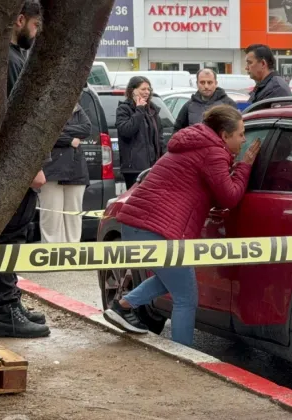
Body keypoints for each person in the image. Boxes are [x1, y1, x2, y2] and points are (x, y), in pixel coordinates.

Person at [103, 105, 262, 346]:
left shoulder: (197, 145)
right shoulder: (212, 153)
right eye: (240, 134)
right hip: (155, 230)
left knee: (171, 279)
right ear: (223, 135)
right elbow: (229, 197)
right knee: (186, 297)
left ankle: (122, 305)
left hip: (140, 224)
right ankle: (184, 358)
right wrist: (245, 165)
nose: (244, 139)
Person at [0, 0, 50, 339]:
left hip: (11, 169)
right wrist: (32, 168)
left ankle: (10, 304)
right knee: (9, 237)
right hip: (13, 171)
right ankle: (5, 310)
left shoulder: (12, 59)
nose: (36, 34)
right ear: (20, 20)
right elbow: (14, 124)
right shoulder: (10, 62)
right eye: (36, 26)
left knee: (14, 236)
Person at [39, 103, 91, 243]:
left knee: (73, 217)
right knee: (51, 217)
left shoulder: (79, 109)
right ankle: (50, 255)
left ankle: (73, 253)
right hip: (51, 170)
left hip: (76, 170)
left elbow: (86, 129)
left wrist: (60, 131)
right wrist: (69, 140)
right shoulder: (46, 107)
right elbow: (44, 133)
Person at [116, 76, 165, 189]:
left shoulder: (152, 110)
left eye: (149, 89)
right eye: (143, 89)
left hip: (153, 166)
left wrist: (163, 160)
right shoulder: (124, 109)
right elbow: (127, 131)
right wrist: (139, 110)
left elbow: (159, 139)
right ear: (132, 91)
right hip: (134, 168)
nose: (147, 92)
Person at [174, 68, 237, 132]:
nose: (206, 86)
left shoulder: (228, 105)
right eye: (202, 82)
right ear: (197, 84)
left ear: (215, 83)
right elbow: (178, 130)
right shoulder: (189, 106)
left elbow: (237, 131)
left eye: (209, 82)